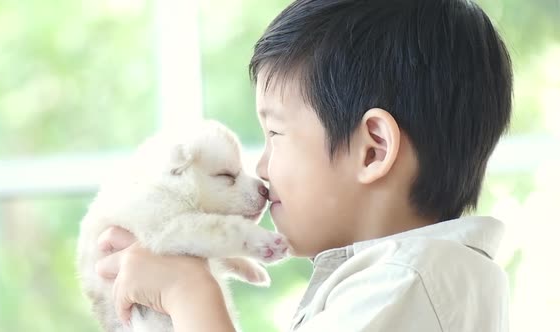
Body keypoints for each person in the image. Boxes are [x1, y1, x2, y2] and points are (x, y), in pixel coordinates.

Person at [95, 0, 513, 331]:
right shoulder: (425, 281)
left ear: (373, 150)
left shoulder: (404, 283)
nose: (262, 167)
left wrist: (188, 293)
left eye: (275, 134)